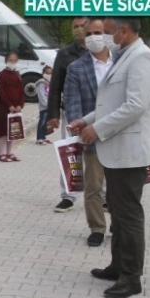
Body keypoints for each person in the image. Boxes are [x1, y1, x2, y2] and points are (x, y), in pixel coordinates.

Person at [69, 17, 150, 298]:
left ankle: (131, 277)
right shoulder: (124, 56)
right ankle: (118, 264)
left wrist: (98, 129)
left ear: (124, 31)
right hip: (116, 151)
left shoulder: (142, 58)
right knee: (118, 214)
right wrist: (85, 121)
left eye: (108, 33)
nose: (104, 38)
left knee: (129, 215)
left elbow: (134, 106)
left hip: (130, 153)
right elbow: (111, 104)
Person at [63, 18, 113, 248]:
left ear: (107, 34)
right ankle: (97, 228)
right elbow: (72, 102)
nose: (95, 36)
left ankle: (119, 224)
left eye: (99, 32)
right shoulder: (77, 68)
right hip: (92, 136)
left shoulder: (120, 62)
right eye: (90, 32)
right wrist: (78, 127)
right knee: (93, 187)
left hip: (118, 134)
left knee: (119, 187)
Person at [47, 17, 88, 213]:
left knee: (101, 155)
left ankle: (104, 195)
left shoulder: (101, 52)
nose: (79, 30)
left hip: (97, 112)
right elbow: (55, 86)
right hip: (71, 111)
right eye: (75, 27)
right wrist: (53, 113)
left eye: (82, 26)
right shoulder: (64, 54)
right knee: (71, 153)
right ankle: (68, 194)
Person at [0, 51, 25, 162]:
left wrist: (20, 104)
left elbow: (21, 92)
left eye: (15, 61)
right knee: (3, 131)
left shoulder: (18, 75)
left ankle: (10, 152)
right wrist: (9, 105)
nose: (13, 62)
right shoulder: (1, 75)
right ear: (6, 61)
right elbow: (1, 92)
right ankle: (1, 153)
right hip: (3, 108)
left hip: (16, 108)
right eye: (11, 60)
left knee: (12, 131)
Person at [35, 66, 53, 145]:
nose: (49, 75)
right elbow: (42, 95)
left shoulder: (49, 83)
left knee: (46, 122)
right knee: (42, 121)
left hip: (49, 106)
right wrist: (46, 104)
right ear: (43, 73)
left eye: (50, 73)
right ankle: (39, 138)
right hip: (44, 106)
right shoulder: (41, 83)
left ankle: (43, 137)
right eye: (47, 73)